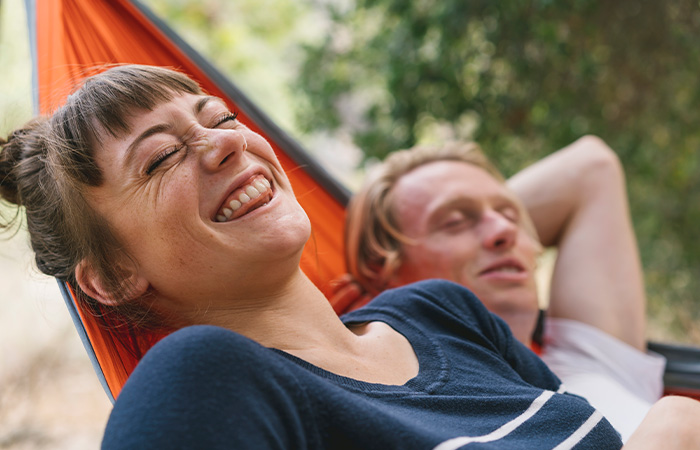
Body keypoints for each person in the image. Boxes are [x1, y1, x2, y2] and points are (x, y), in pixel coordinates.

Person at [0, 64, 698, 449]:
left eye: (220, 118)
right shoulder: (206, 380)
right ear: (117, 275)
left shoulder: (444, 313)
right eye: (159, 160)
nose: (223, 144)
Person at [339, 139, 666, 441]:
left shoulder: (590, 362)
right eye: (454, 221)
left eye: (512, 217)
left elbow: (592, 167)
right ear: (382, 270)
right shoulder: (408, 418)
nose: (505, 231)